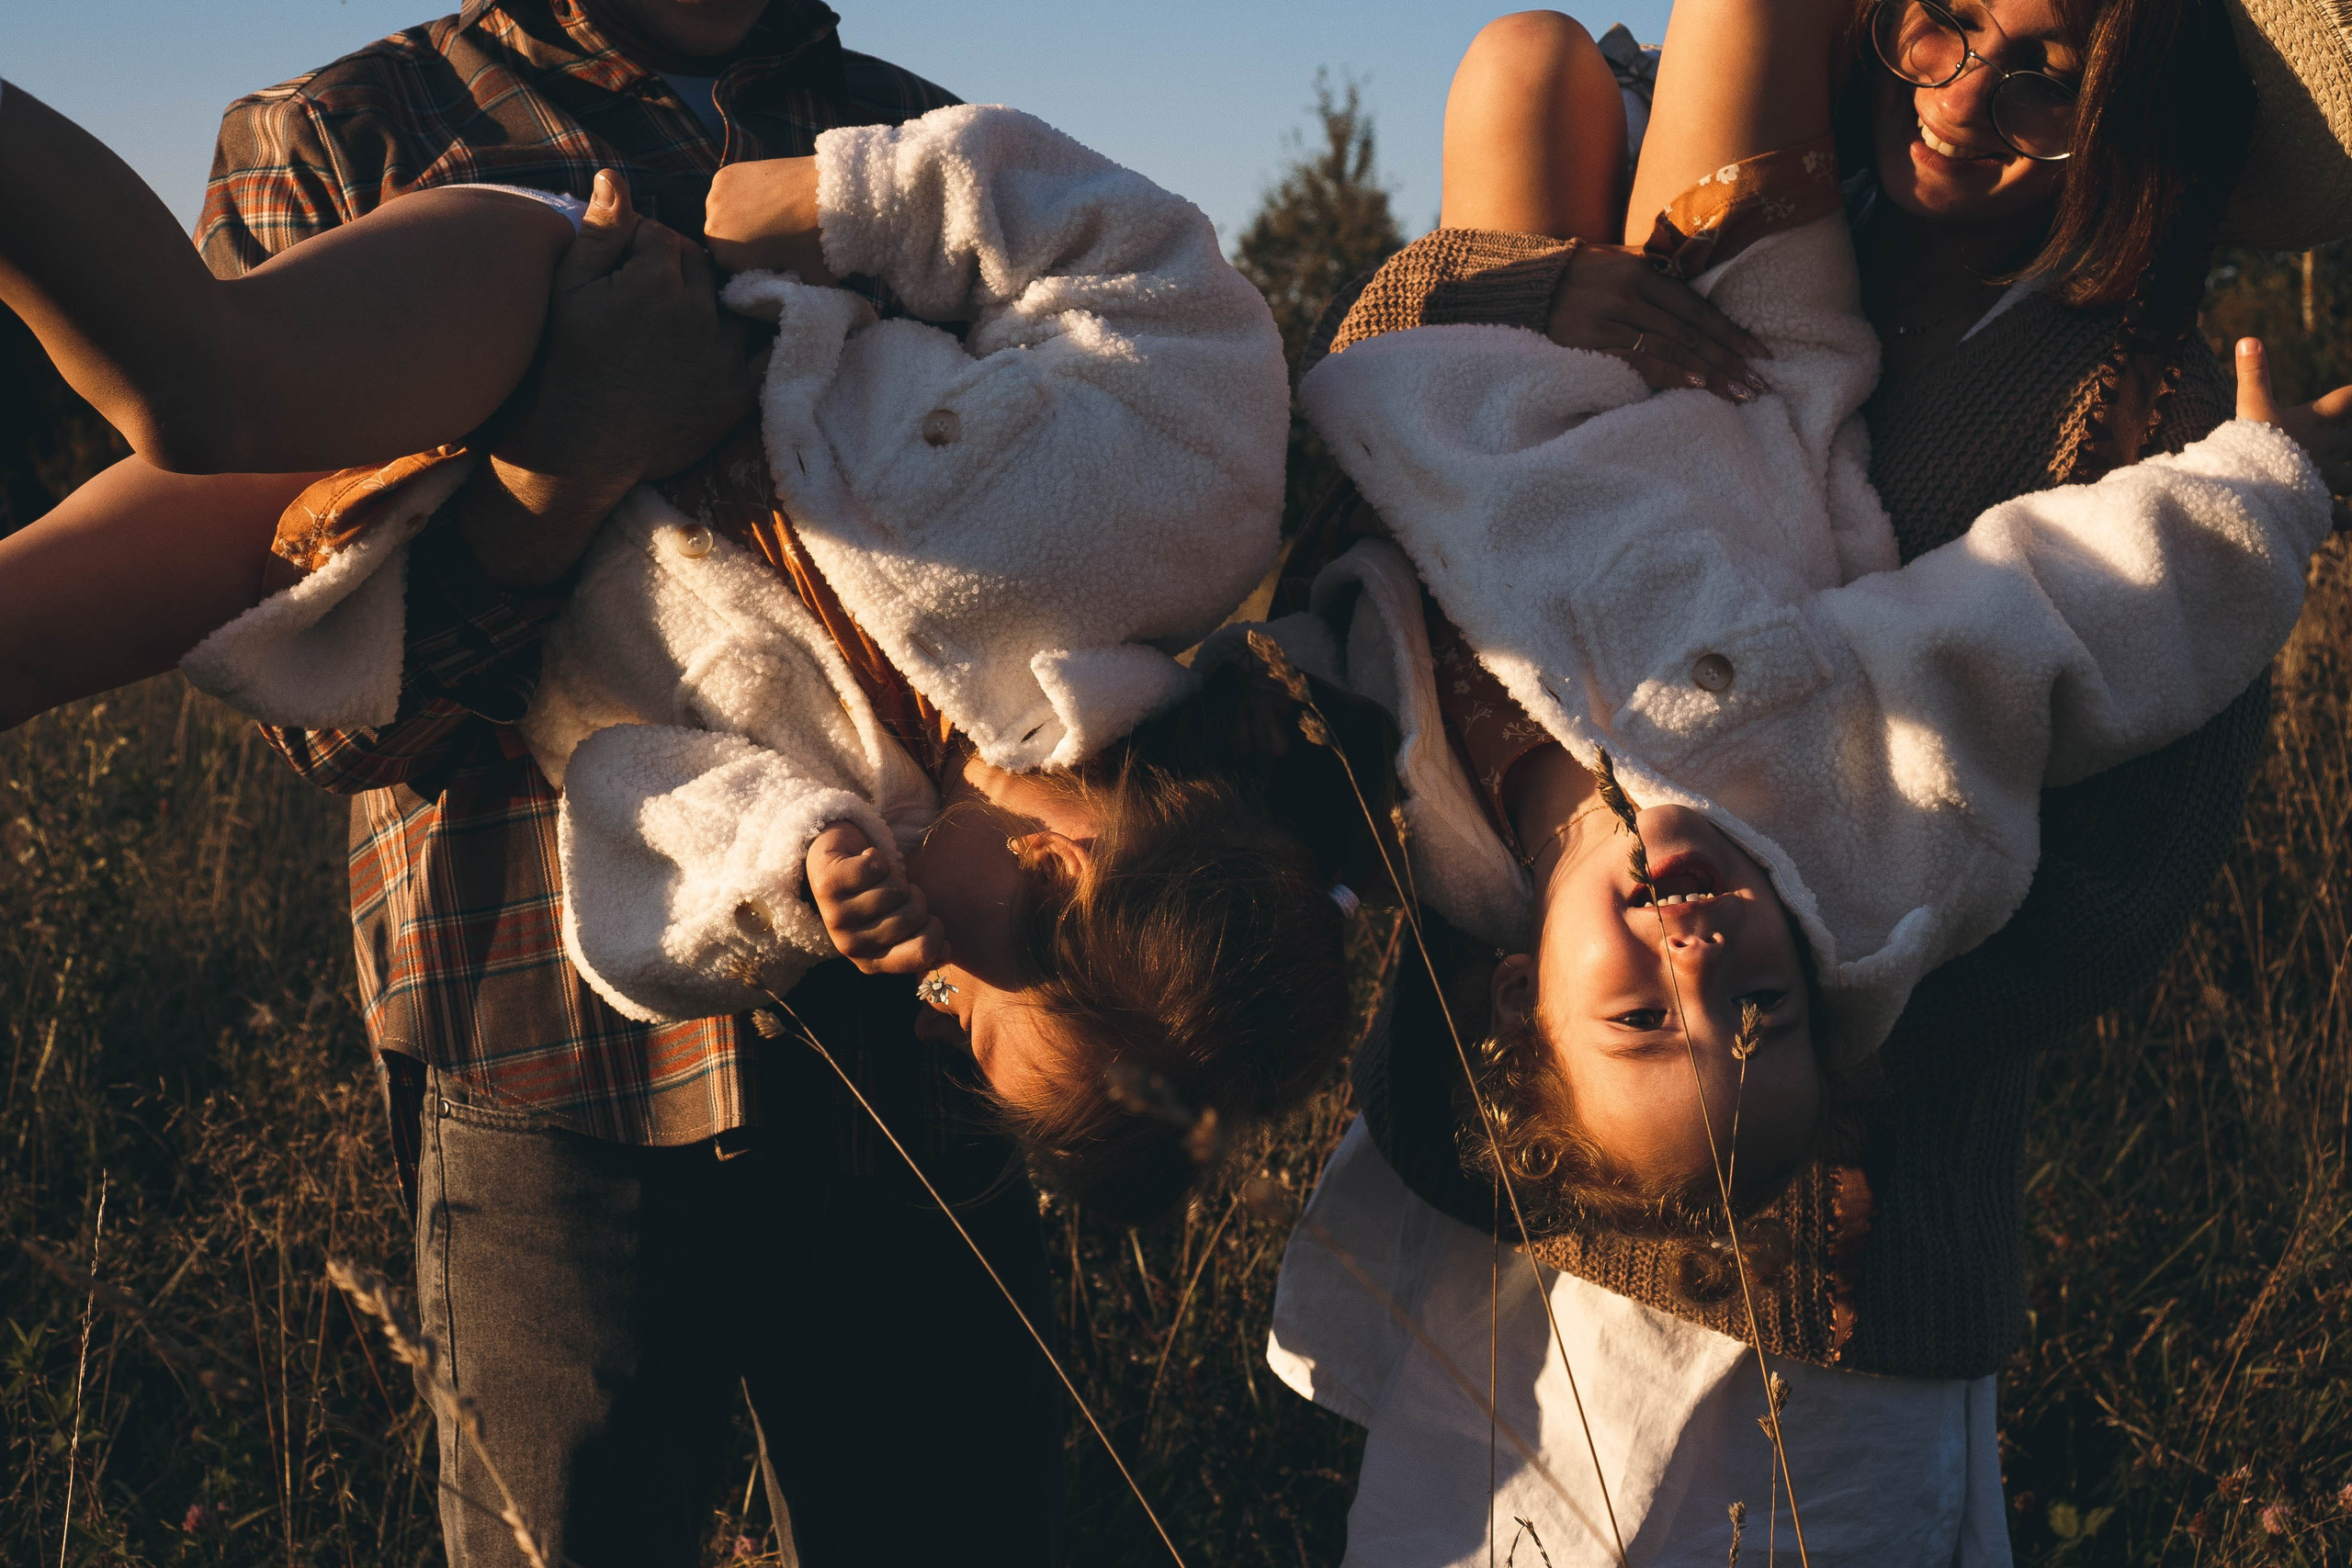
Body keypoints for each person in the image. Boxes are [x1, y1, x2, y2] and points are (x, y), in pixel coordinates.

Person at [1261, 0, 2352, 1558]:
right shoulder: (1727, 188)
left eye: (2048, 77)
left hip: (1823, 1279)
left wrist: (1778, 986)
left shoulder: (2138, 403)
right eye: (1950, 23)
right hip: (1500, 1166)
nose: (1966, 101)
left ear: (2138, 109)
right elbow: (1393, 430)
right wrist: (1537, 287)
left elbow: (2115, 897)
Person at [6, 6, 1064, 1564]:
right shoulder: (357, 128)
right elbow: (326, 713)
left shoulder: (918, 125)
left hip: (908, 1063)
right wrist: (558, 473)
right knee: (204, 410)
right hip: (550, 1063)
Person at [166, 98, 1348, 1224]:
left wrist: (785, 856)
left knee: (115, 553)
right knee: (203, 389)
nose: (928, 1006)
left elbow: (613, 790)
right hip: (543, 288)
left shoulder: (855, 810)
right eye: (970, 1006)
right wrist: (858, 199)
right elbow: (1156, 290)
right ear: (1054, 874)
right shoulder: (1135, 551)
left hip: (395, 510)